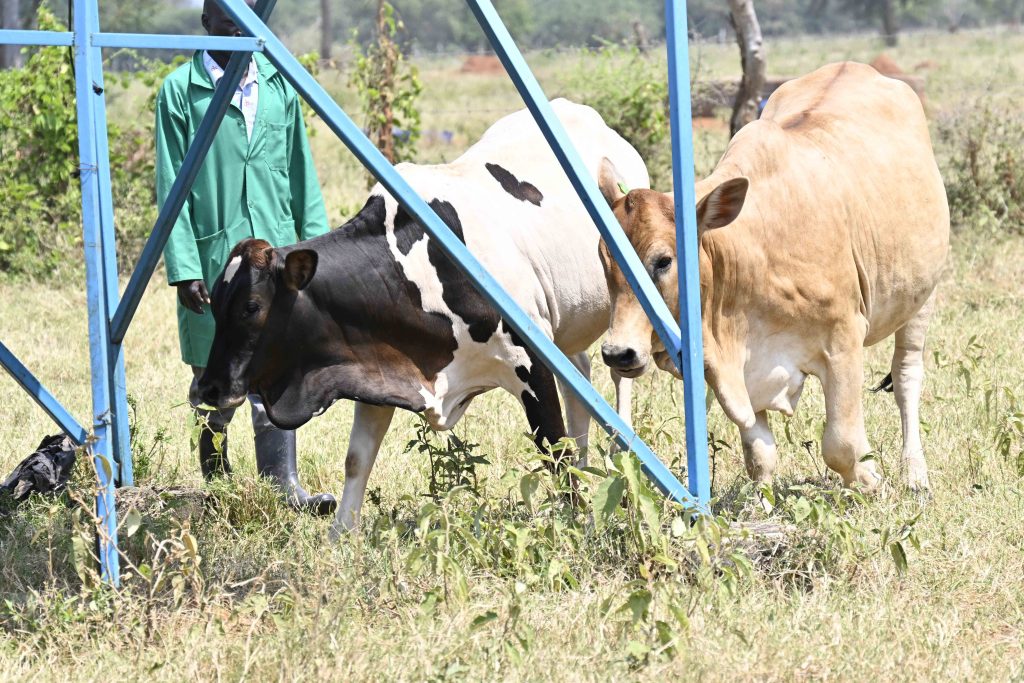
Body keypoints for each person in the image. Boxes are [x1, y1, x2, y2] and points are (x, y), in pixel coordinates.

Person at [155, 0, 336, 515]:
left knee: (275, 367)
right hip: (217, 258)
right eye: (223, 11)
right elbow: (171, 187)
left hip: (274, 258)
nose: (234, 20)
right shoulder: (179, 92)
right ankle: (216, 482)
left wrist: (317, 248)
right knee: (215, 371)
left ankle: (284, 487)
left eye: (245, 11)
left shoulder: (278, 86)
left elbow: (301, 170)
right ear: (205, 20)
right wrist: (186, 267)